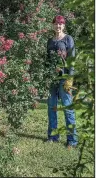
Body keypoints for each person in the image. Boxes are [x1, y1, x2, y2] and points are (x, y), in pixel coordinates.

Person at [46, 15, 78, 149]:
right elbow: (47, 61)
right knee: (51, 107)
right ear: (53, 25)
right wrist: (47, 76)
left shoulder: (68, 39)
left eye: (60, 24)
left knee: (67, 109)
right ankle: (53, 136)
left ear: (63, 26)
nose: (58, 26)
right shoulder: (50, 41)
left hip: (64, 78)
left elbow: (72, 59)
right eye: (56, 23)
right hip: (52, 79)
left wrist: (70, 78)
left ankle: (72, 140)